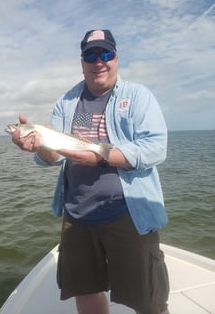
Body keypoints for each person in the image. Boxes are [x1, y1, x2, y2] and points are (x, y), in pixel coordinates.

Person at [12, 29, 170, 314]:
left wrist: (102, 157)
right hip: (77, 216)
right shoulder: (68, 102)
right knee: (84, 291)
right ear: (82, 61)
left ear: (116, 58)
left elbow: (156, 148)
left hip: (128, 214)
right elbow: (54, 155)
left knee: (147, 299)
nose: (99, 61)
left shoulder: (138, 96)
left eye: (105, 54)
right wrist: (38, 147)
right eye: (91, 55)